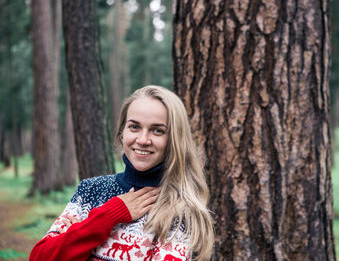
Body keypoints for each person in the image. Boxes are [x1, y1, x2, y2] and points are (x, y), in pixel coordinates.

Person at [29, 85, 214, 261]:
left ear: (174, 139)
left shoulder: (181, 210)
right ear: (122, 132)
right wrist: (109, 215)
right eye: (134, 127)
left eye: (157, 131)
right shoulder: (91, 190)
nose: (142, 140)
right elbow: (39, 257)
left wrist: (77, 243)